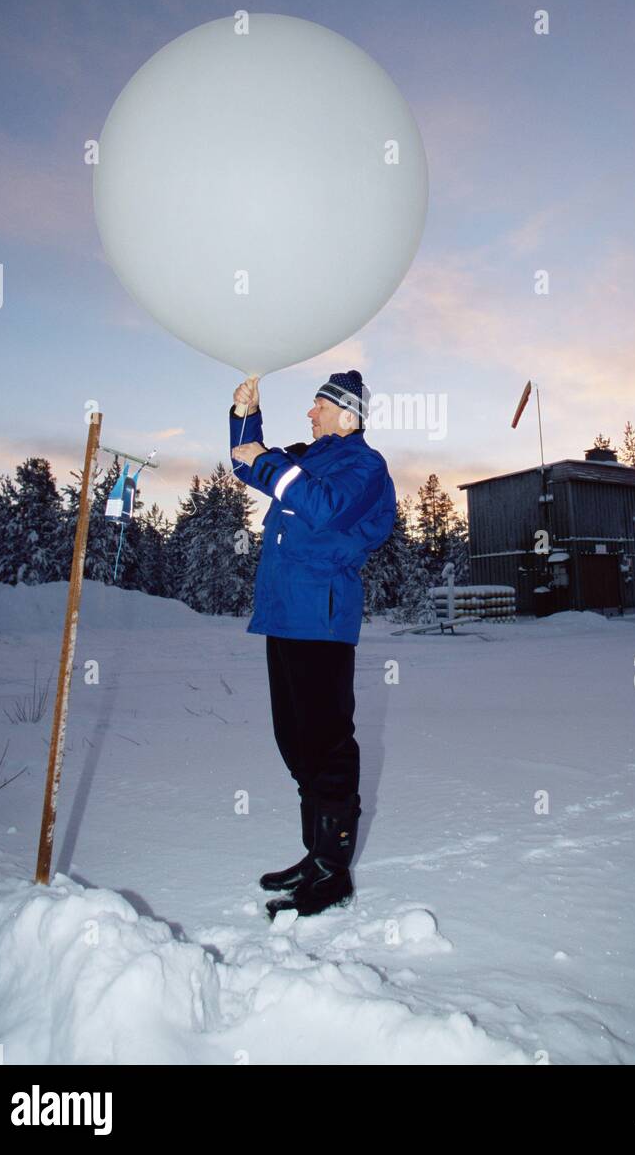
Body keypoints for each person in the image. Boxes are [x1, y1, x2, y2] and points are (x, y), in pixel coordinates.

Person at [230, 369, 396, 918]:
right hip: (284, 613)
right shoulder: (312, 458)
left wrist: (268, 459)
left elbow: (322, 506)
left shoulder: (363, 467)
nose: (309, 414)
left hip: (321, 618)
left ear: (347, 414)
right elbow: (245, 464)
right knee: (295, 740)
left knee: (326, 744)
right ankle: (316, 855)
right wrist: (245, 418)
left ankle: (333, 875)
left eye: (318, 406)